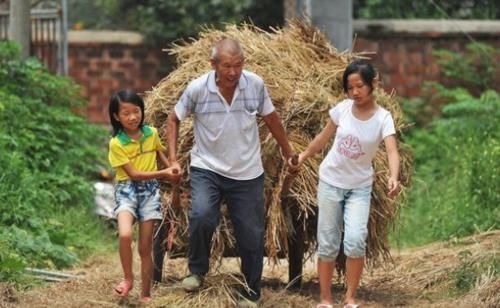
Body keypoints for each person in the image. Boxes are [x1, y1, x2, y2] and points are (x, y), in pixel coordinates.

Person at [166, 38, 295, 306]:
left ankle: (251, 290)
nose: (233, 72)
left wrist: (287, 151)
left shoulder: (255, 85)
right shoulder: (198, 88)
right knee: (202, 215)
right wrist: (173, 158)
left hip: (247, 171)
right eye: (226, 66)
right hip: (207, 167)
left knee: (251, 232)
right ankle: (197, 270)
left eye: (238, 65)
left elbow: (271, 119)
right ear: (213, 65)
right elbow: (174, 119)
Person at [293, 60, 400, 308]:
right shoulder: (342, 109)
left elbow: (392, 150)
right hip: (330, 182)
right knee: (328, 242)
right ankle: (326, 299)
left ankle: (350, 298)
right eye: (350, 88)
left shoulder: (383, 118)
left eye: (360, 86)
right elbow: (322, 138)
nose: (355, 92)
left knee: (355, 239)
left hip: (360, 187)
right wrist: (303, 156)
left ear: (373, 83)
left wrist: (394, 177)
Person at [108, 89, 178, 303]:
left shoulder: (152, 134)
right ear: (116, 117)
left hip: (149, 193)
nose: (132, 117)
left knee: (145, 247)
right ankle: (128, 279)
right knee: (125, 235)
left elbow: (160, 154)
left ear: (142, 111)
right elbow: (134, 174)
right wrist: (164, 173)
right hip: (127, 191)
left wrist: (173, 169)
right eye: (126, 113)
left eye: (136, 111)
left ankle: (146, 294)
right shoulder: (116, 143)